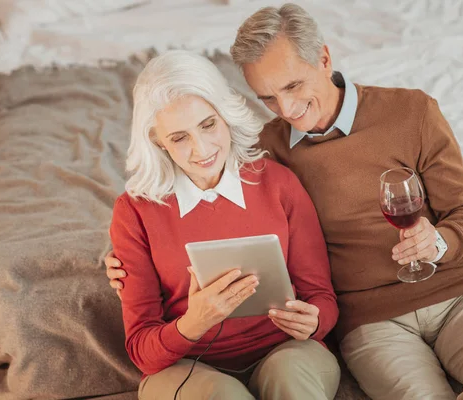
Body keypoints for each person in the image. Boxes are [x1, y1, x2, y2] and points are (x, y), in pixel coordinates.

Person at [107, 4, 463, 400]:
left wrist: (437, 242)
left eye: (293, 85)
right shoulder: (265, 150)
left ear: (325, 59)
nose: (287, 108)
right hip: (371, 317)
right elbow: (190, 198)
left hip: (456, 291)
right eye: (268, 98)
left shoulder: (411, 112)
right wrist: (121, 256)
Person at [109, 49, 340, 400]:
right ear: (158, 141)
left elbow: (322, 298)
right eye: (179, 137)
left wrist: (315, 320)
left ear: (225, 115)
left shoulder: (278, 184)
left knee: (289, 378)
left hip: (287, 352)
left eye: (208, 125)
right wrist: (195, 321)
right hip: (186, 366)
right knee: (222, 395)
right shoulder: (135, 211)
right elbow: (142, 349)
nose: (202, 150)